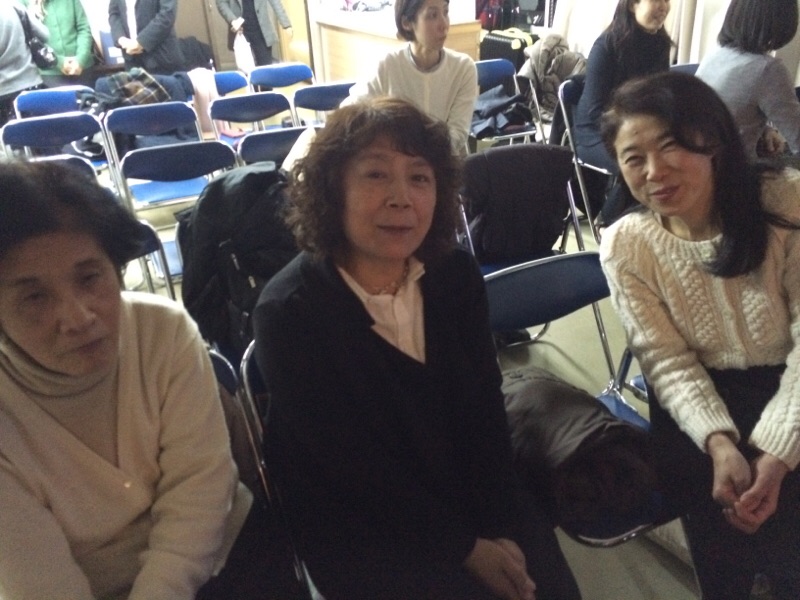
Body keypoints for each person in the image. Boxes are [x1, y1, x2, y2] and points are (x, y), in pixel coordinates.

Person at [253, 97, 581, 600]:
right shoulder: (289, 311)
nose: (401, 198)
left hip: (460, 481)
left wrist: (498, 524)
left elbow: (483, 409)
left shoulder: (454, 275)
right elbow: (348, 466)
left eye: (419, 178)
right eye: (376, 175)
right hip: (357, 518)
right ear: (332, 190)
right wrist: (466, 548)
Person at [0, 160, 295, 600]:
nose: (78, 317)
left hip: (221, 555)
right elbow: (38, 579)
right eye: (34, 297)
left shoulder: (161, 331)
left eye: (89, 277)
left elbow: (200, 487)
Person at [598, 71, 800, 600]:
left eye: (671, 146)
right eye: (633, 158)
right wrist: (719, 443)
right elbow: (666, 362)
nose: (654, 171)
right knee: (723, 561)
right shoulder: (626, 245)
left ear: (712, 139)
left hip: (791, 385)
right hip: (697, 406)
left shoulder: (785, 202)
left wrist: (778, 453)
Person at [573, 0, 671, 221]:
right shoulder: (606, 46)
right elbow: (594, 112)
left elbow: (659, 98)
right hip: (595, 133)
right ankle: (608, 224)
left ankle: (653, 223)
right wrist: (631, 133)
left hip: (638, 131)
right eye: (656, 0)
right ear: (632, 5)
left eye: (667, 0)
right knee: (638, 164)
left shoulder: (660, 44)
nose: (663, 7)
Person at [345, 0, 477, 153]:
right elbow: (352, 112)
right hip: (396, 161)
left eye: (445, 12)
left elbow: (457, 135)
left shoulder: (463, 68)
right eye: (432, 15)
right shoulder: (388, 65)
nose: (444, 24)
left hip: (445, 161)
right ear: (407, 23)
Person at [696, 0, 800, 162]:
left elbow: (732, 113)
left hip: (702, 164)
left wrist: (764, 129)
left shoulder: (715, 55)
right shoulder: (768, 69)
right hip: (733, 170)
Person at [21, 0, 96, 87]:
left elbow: (83, 28)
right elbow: (31, 39)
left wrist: (80, 60)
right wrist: (59, 62)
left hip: (82, 68)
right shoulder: (23, 3)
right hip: (49, 73)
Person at [108, 0, 185, 75]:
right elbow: (114, 13)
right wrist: (121, 39)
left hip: (161, 59)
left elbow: (167, 14)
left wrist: (141, 42)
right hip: (131, 61)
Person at [0, 1, 45, 127]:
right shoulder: (14, 6)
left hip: (2, 93)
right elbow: (44, 35)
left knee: (7, 137)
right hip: (30, 85)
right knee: (40, 135)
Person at [216, 0, 292, 67]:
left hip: (262, 31)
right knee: (246, 69)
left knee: (265, 68)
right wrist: (233, 20)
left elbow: (275, 2)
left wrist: (286, 24)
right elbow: (221, 3)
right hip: (240, 32)